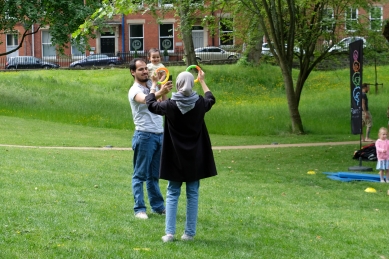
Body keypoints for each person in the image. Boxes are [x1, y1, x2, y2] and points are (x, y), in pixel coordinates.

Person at [145, 70, 217, 242]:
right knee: (192, 193)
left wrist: (155, 86)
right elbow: (211, 99)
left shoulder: (169, 105)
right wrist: (203, 81)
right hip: (195, 157)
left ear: (177, 84)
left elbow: (150, 103)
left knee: (172, 193)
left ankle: (169, 233)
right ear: (192, 84)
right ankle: (189, 234)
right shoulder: (200, 103)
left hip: (175, 157)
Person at [128, 58, 173, 219]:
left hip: (158, 135)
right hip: (144, 135)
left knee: (154, 175)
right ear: (133, 72)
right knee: (140, 175)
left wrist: (162, 86)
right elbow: (148, 101)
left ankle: (157, 206)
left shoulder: (150, 87)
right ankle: (139, 209)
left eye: (146, 69)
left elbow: (162, 106)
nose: (145, 71)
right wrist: (156, 87)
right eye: (140, 69)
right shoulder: (134, 90)